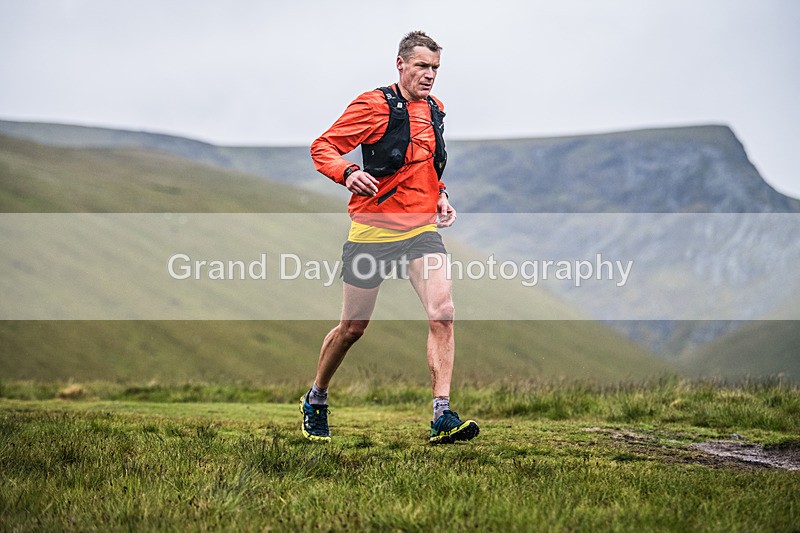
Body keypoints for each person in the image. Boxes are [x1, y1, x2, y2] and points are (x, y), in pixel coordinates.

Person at [301, 30, 479, 445]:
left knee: (443, 312)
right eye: (422, 66)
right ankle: (316, 398)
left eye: (435, 68)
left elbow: (429, 164)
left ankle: (442, 415)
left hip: (420, 231)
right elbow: (323, 146)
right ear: (400, 65)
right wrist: (347, 173)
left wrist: (442, 196)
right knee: (353, 328)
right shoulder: (373, 105)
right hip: (372, 231)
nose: (430, 75)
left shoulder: (435, 108)